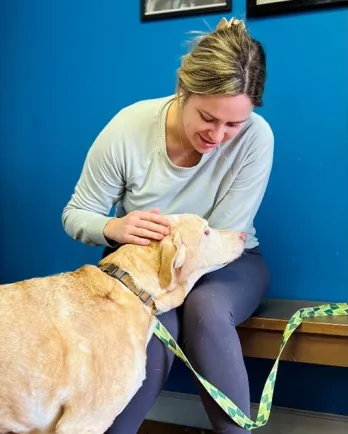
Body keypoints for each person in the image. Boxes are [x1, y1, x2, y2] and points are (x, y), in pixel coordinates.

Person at [62, 16, 274, 434]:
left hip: (225, 263)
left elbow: (218, 244)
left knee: (206, 311)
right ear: (183, 90)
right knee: (150, 328)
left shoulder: (257, 139)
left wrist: (161, 296)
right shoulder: (128, 128)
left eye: (234, 124)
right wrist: (113, 229)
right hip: (138, 268)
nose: (219, 135)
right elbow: (76, 214)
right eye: (208, 117)